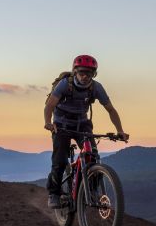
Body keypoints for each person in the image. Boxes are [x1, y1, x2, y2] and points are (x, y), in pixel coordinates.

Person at [43, 54, 129, 208]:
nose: (85, 76)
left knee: (93, 156)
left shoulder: (96, 87)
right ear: (75, 71)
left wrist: (120, 131)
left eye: (89, 73)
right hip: (61, 125)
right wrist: (48, 122)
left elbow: (111, 110)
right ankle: (54, 194)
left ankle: (90, 190)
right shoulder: (64, 84)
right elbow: (50, 105)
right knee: (59, 161)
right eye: (82, 72)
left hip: (82, 125)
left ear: (93, 74)